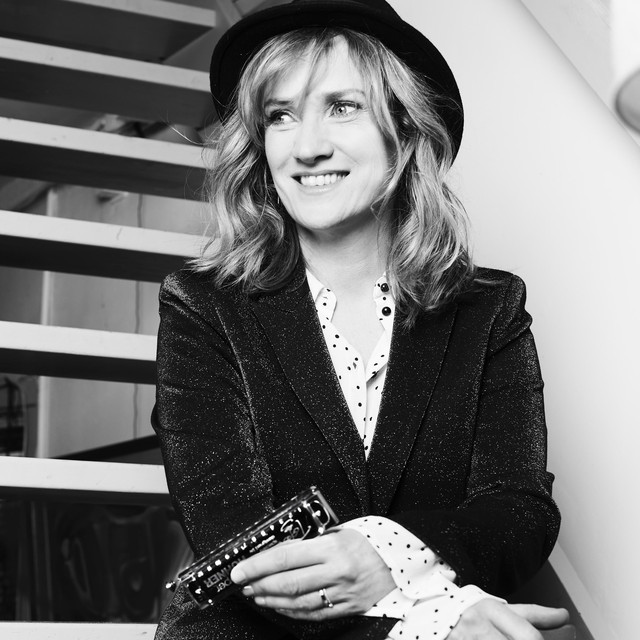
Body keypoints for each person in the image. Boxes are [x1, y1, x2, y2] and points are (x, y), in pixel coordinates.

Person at [152, 1, 570, 638]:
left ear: (404, 129)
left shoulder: (490, 308)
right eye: (280, 116)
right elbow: (240, 545)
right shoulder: (202, 307)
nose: (307, 147)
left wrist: (386, 552)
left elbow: (519, 511)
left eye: (342, 107)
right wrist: (434, 617)